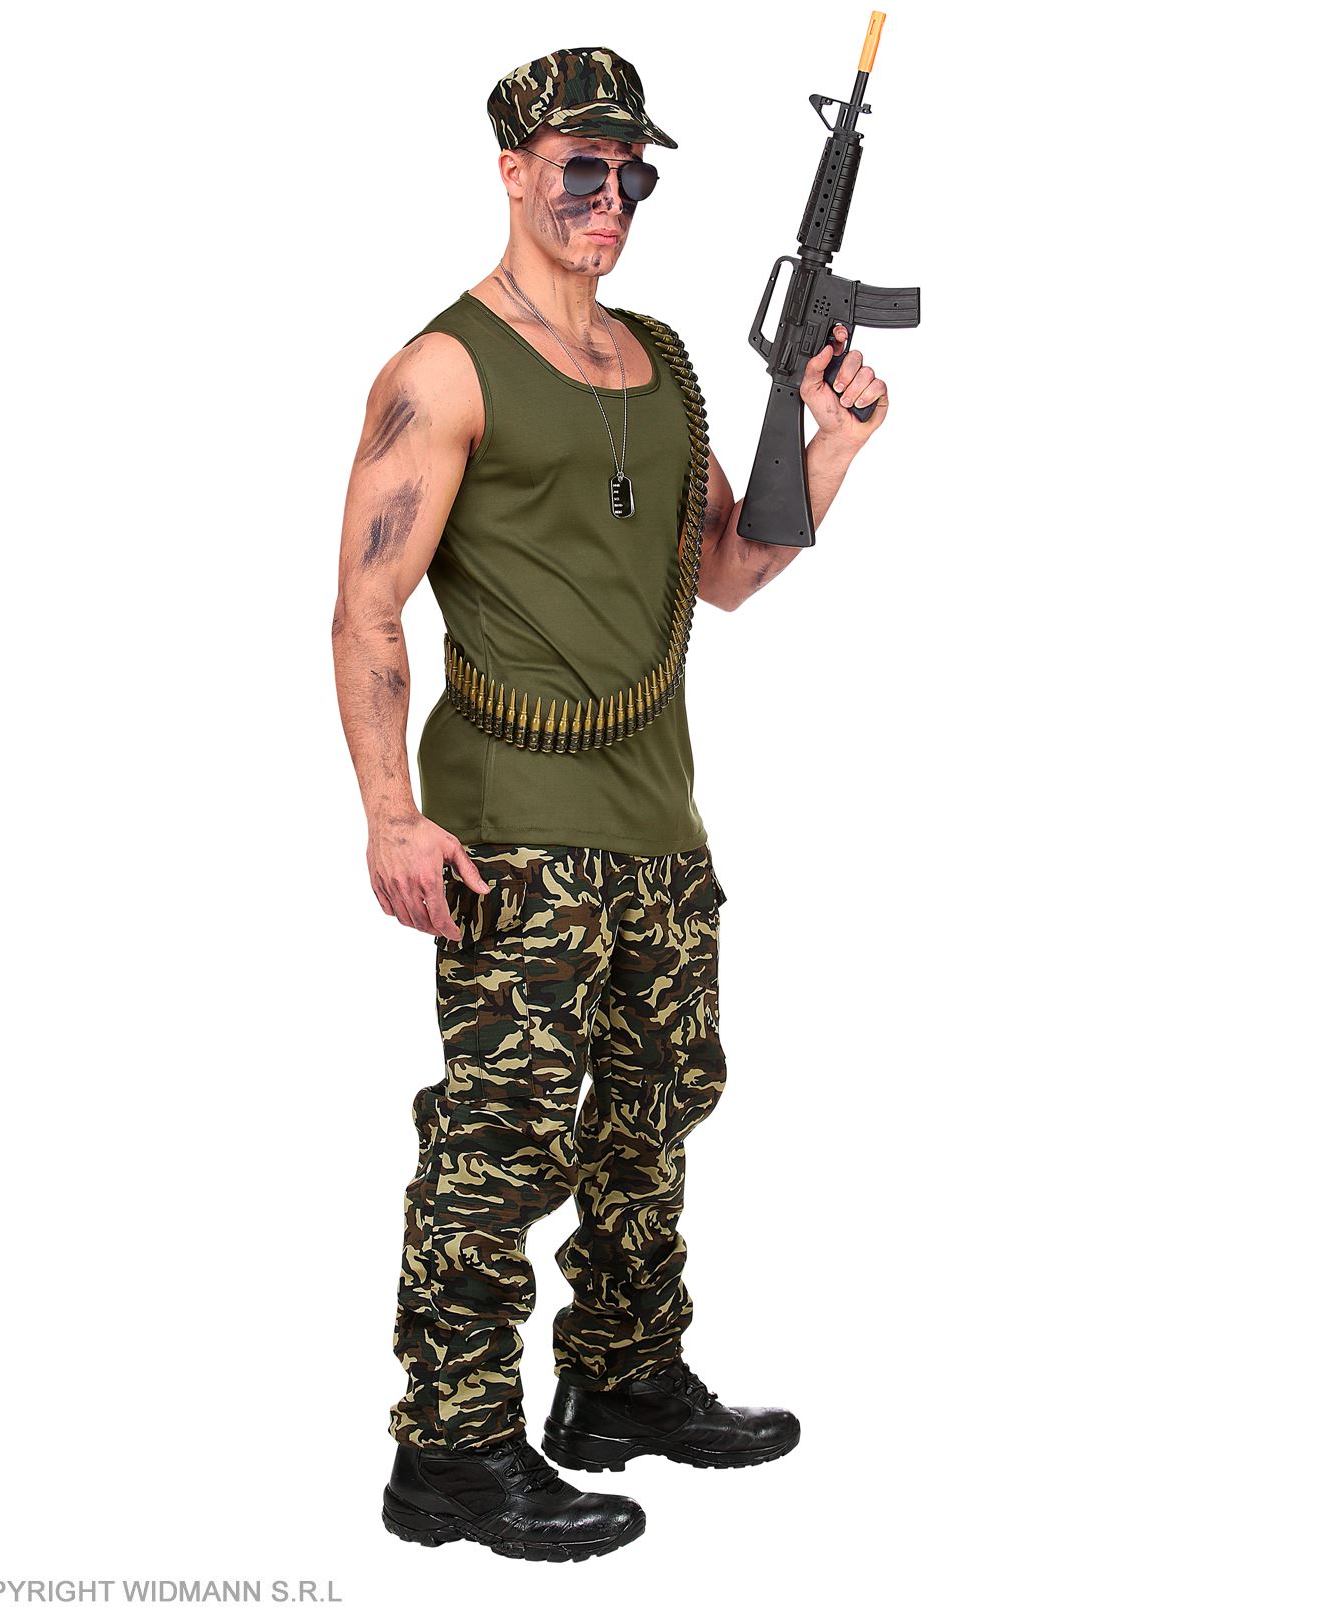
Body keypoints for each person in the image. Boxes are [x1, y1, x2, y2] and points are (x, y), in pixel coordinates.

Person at [331, 44, 890, 1563]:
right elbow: (368, 608)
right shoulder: (444, 371)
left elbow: (726, 573)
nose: (612, 196)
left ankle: (621, 1379)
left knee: (654, 1115)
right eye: (584, 167)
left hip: (657, 827)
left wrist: (831, 449)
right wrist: (392, 816)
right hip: (510, 833)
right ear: (514, 169)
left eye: (633, 172)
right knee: (500, 1141)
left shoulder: (662, 362)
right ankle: (450, 1452)